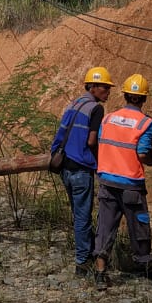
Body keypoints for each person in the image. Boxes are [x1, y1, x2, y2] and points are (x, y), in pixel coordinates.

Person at [93, 74, 152, 290]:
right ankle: (144, 267)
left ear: (126, 96)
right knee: (139, 226)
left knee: (105, 226)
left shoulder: (108, 118)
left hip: (107, 181)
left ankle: (100, 271)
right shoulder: (146, 123)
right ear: (143, 99)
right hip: (131, 183)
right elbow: (142, 153)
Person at [50, 66, 112, 276]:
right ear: (93, 87)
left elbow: (60, 135)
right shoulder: (96, 108)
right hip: (81, 169)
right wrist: (101, 158)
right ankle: (82, 262)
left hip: (65, 168)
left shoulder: (73, 104)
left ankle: (86, 254)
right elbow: (92, 140)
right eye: (104, 87)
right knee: (83, 217)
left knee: (78, 215)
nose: (108, 91)